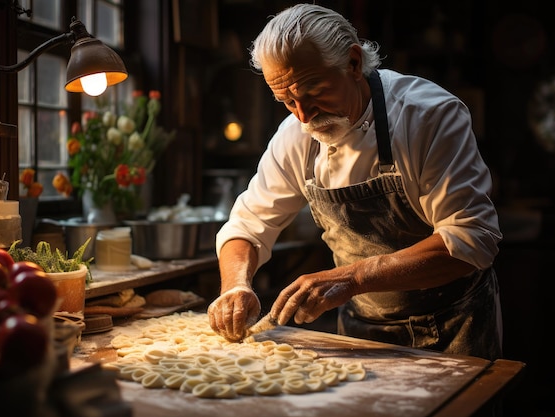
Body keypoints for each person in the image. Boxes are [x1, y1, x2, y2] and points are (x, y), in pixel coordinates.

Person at [207, 3, 503, 361]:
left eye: (313, 90)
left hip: (455, 325)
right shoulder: (296, 137)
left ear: (353, 63)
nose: (304, 114)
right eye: (287, 101)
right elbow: (247, 227)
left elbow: (471, 241)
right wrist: (235, 286)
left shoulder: (427, 116)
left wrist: (351, 279)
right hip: (361, 330)